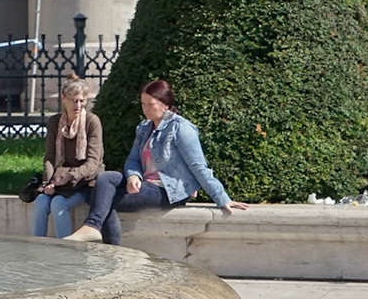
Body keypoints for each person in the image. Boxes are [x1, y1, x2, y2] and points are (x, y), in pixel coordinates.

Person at [83, 79, 248, 245]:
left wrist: (221, 197)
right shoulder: (144, 127)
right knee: (105, 179)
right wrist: (133, 176)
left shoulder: (181, 128)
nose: (145, 109)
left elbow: (198, 166)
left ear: (166, 105)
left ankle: (104, 241)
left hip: (168, 190)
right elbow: (133, 159)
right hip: (145, 184)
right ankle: (94, 230)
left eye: (151, 104)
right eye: (143, 104)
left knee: (100, 199)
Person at [30, 77, 104, 238]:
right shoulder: (55, 122)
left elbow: (93, 162)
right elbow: (50, 157)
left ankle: (65, 246)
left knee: (58, 203)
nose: (78, 105)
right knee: (41, 202)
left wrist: (70, 176)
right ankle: (36, 244)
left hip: (84, 181)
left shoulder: (92, 121)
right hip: (60, 181)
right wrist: (48, 182)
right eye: (74, 101)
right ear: (64, 99)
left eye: (82, 101)